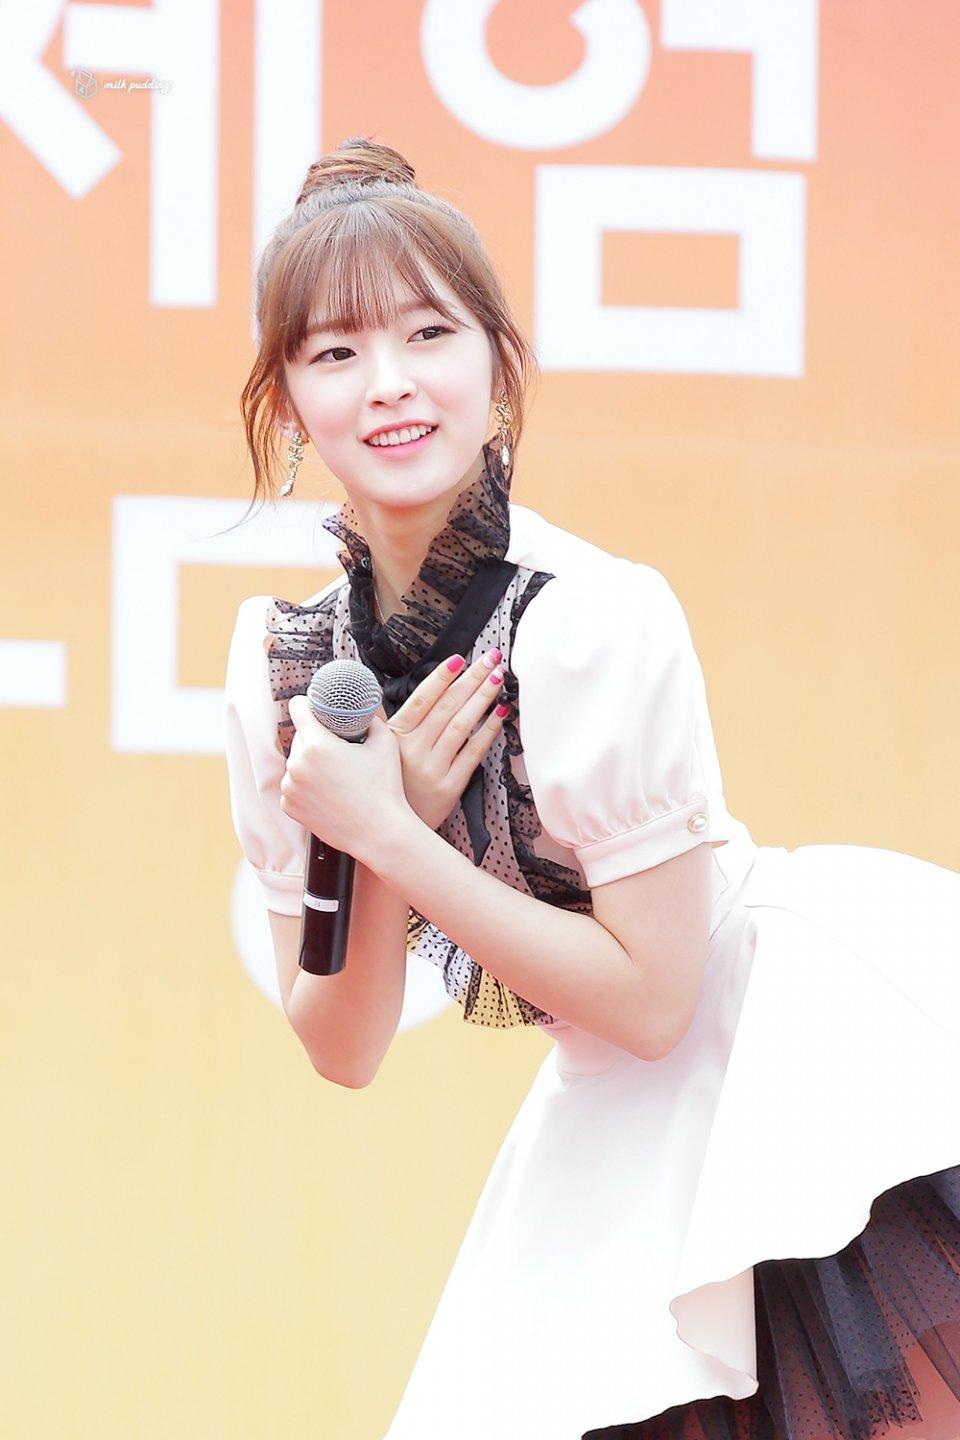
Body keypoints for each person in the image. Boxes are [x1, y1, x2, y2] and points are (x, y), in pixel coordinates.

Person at [222, 137, 960, 1440]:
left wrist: (393, 829)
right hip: (610, 1095)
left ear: (498, 363)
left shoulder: (593, 618)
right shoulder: (291, 667)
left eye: (428, 335)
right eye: (335, 352)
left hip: (787, 1040)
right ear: (286, 400)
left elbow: (659, 1003)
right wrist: (373, 840)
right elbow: (341, 1044)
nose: (389, 384)